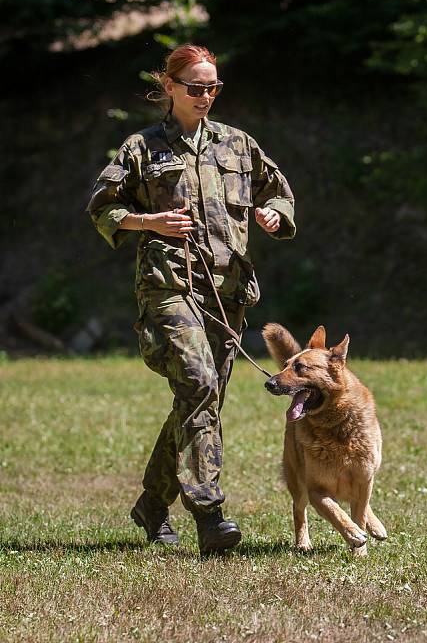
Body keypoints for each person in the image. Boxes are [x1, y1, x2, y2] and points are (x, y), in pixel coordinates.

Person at [86, 43, 296, 554]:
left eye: (213, 88)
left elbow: (280, 191)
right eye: (196, 87)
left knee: (198, 399)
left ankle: (152, 505)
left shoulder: (237, 145)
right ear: (170, 87)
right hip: (167, 289)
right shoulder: (142, 148)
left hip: (226, 295)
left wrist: (273, 214)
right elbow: (102, 207)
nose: (206, 96)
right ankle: (209, 513)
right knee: (200, 383)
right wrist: (147, 221)